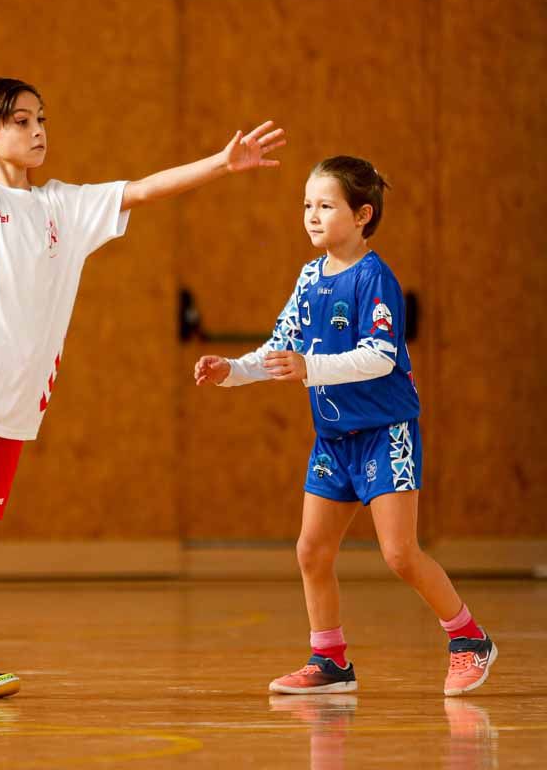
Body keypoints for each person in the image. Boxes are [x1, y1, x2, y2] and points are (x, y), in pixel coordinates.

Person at [0, 33, 285, 697]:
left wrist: (221, 164)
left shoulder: (66, 208)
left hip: (21, 399)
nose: (38, 129)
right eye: (21, 121)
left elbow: (142, 190)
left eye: (42, 118)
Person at [193, 155, 495, 696]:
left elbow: (380, 355)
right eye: (306, 205)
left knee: (400, 553)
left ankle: (470, 640)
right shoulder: (309, 277)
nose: (311, 215)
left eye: (325, 205)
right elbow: (281, 346)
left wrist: (313, 368)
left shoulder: (375, 278)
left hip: (385, 432)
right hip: (335, 440)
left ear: (362, 215)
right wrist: (232, 372)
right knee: (311, 550)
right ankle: (330, 661)